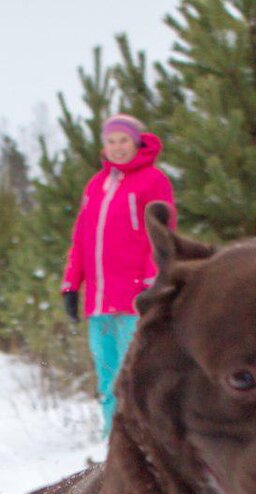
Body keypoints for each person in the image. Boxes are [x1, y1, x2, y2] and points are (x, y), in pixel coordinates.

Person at [61, 113, 176, 438]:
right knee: (108, 377)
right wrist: (72, 284)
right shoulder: (97, 185)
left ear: (136, 141)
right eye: (111, 141)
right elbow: (82, 238)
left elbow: (161, 234)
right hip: (99, 301)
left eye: (123, 140)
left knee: (135, 375)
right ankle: (112, 443)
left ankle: (142, 441)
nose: (117, 147)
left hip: (134, 299)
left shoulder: (153, 181)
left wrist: (152, 282)